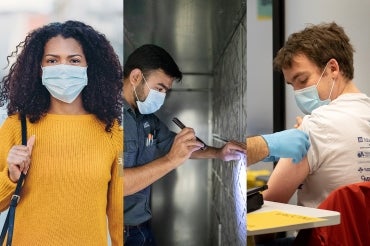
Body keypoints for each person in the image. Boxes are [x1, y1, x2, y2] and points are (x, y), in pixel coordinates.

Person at [122, 44, 310, 245]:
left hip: (140, 229)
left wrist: (220, 152)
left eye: (165, 91)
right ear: (135, 77)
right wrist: (170, 160)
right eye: (159, 88)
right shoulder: (109, 119)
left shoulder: (146, 119)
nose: (161, 96)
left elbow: (179, 147)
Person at [0, 20, 123, 245]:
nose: (63, 68)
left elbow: (117, 214)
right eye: (52, 60)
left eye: (74, 60)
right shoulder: (16, 126)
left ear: (90, 67)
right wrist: (10, 177)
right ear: (39, 68)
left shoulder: (111, 130)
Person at [259, 22, 370, 244]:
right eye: (292, 86)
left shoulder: (315, 126)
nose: (298, 93)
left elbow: (267, 211)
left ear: (332, 69)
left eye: (302, 80)